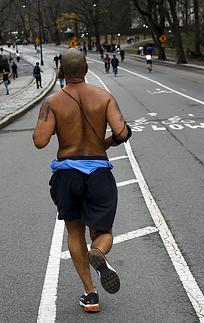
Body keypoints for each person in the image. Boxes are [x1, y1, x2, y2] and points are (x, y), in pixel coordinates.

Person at [32, 48, 132, 313]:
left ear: (62, 71)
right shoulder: (104, 97)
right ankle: (98, 251)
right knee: (103, 232)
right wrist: (107, 141)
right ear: (86, 69)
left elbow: (40, 141)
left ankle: (90, 294)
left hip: (67, 175)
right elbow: (122, 131)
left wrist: (59, 126)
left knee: (75, 231)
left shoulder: (52, 102)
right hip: (98, 173)